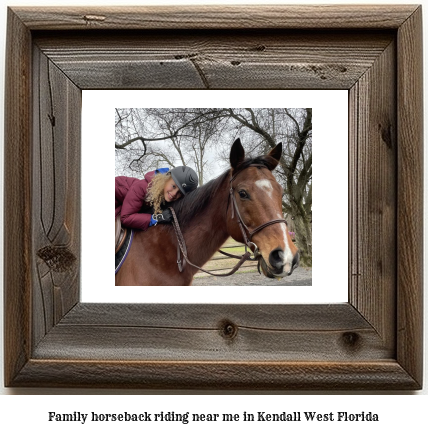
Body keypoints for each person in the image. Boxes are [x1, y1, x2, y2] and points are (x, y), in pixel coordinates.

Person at [115, 166, 199, 231]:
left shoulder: (163, 196)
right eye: (173, 186)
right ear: (166, 179)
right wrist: (156, 218)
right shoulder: (142, 187)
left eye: (180, 193)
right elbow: (126, 218)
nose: (174, 194)